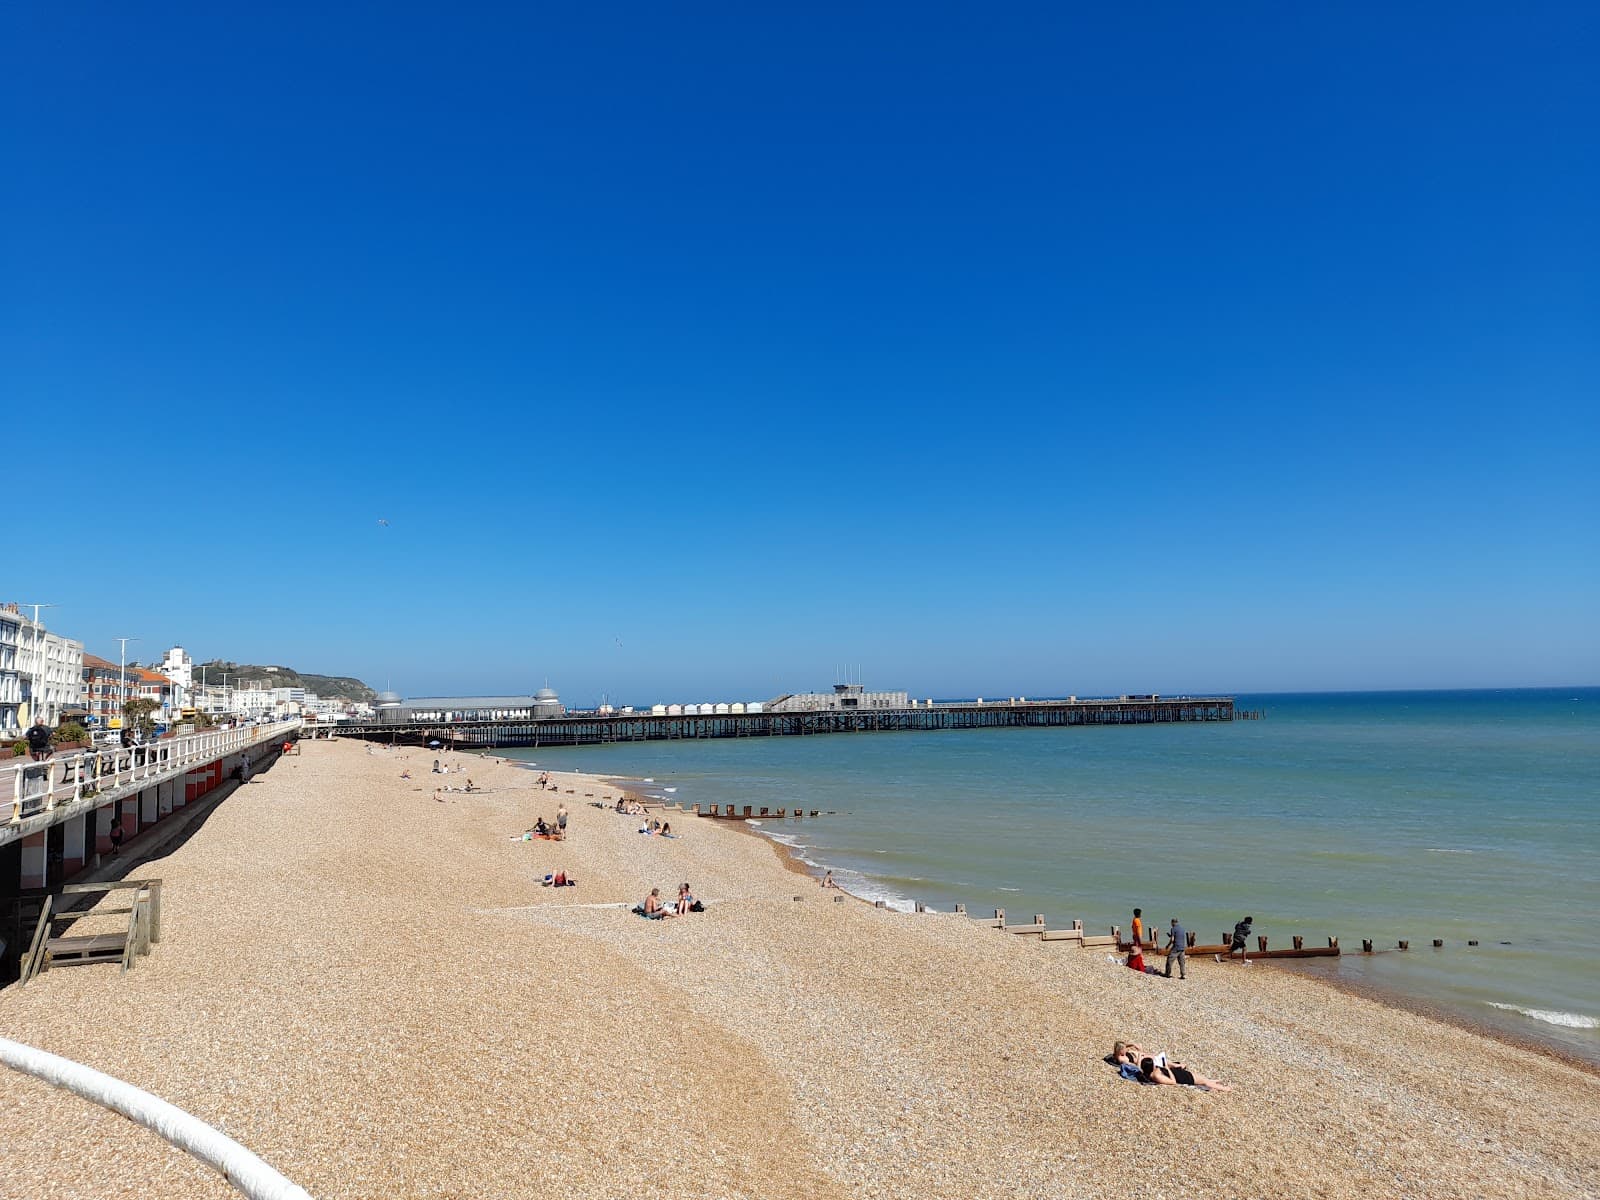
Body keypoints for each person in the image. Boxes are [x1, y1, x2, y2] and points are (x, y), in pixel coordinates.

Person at [1139, 1056, 1232, 1092]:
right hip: (1181, 1078)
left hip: (1179, 1073)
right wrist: (1167, 1068)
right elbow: (1173, 1082)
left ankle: (1213, 1081)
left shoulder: (1149, 1072)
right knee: (1204, 1081)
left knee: (1202, 1078)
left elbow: (1140, 1066)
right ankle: (1225, 1089)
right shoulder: (1156, 1076)